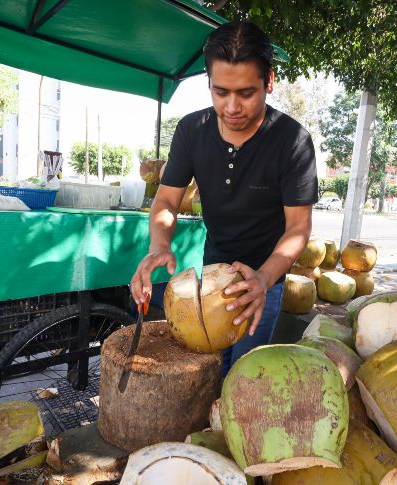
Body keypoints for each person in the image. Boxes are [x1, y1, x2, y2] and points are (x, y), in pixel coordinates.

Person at [130, 19, 318, 376]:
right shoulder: (191, 130)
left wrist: (264, 279)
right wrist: (159, 246)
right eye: (220, 92)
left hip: (262, 281)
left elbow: (297, 228)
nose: (231, 107)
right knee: (207, 375)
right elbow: (167, 201)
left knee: (243, 378)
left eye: (246, 93)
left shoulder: (293, 141)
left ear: (269, 82)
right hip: (211, 272)